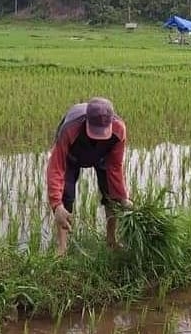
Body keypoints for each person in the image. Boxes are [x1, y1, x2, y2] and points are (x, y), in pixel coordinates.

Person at [45, 97, 132, 256]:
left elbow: (115, 166)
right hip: (72, 156)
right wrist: (56, 205)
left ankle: (111, 240)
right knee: (66, 196)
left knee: (111, 196)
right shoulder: (70, 129)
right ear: (86, 121)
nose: (97, 136)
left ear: (111, 122)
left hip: (102, 156)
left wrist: (122, 196)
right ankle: (62, 248)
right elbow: (56, 167)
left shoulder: (119, 130)